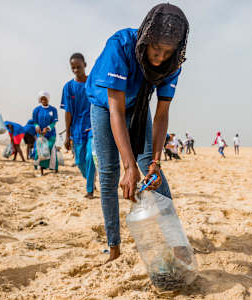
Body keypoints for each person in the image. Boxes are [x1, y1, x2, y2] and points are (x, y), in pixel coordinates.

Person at [85, 3, 189, 262]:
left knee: (154, 173)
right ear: (145, 39)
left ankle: (177, 243)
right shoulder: (120, 45)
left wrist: (155, 161)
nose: (159, 57)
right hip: (105, 103)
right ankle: (114, 247)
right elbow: (116, 111)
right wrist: (129, 167)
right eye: (156, 49)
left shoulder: (173, 63)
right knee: (109, 173)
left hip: (138, 105)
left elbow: (162, 113)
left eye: (167, 52)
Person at [61, 53, 96, 199]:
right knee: (80, 161)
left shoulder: (93, 83)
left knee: (90, 157)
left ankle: (89, 190)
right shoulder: (68, 87)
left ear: (85, 65)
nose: (76, 70)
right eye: (73, 67)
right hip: (76, 129)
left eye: (78, 67)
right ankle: (90, 179)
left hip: (93, 127)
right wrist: (67, 135)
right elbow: (68, 112)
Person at [33, 91, 58, 175]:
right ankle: (41, 169)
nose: (43, 100)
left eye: (45, 99)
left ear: (48, 99)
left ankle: (54, 167)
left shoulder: (53, 110)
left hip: (51, 134)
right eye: (42, 99)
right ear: (40, 100)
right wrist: (37, 126)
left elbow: (54, 122)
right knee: (41, 151)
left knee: (50, 148)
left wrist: (47, 128)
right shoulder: (36, 110)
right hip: (40, 134)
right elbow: (35, 121)